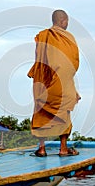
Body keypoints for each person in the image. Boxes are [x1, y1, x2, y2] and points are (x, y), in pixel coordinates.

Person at [28, 9, 81, 157]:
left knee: (41, 111)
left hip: (46, 81)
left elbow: (39, 60)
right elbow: (74, 63)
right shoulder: (69, 38)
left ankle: (42, 148)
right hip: (63, 84)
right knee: (63, 113)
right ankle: (63, 149)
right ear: (63, 21)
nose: (67, 24)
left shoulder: (44, 36)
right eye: (67, 22)